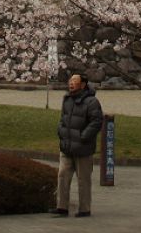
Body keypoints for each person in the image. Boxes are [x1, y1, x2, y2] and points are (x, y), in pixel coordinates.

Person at [51, 73, 103, 218]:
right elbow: (62, 119)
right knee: (62, 176)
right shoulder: (67, 99)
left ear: (83, 84)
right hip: (67, 146)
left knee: (83, 179)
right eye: (70, 80)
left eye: (74, 81)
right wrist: (61, 132)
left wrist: (83, 137)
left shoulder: (92, 102)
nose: (71, 83)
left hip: (83, 148)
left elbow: (97, 122)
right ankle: (62, 207)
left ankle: (84, 209)